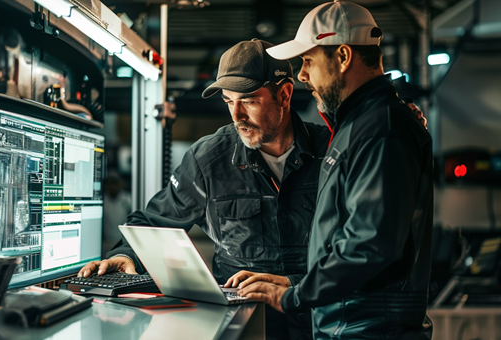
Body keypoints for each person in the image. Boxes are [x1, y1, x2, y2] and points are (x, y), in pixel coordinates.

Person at [79, 39, 332, 340]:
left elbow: (357, 248)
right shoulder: (209, 161)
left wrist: (295, 283)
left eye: (249, 100)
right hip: (247, 328)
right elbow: (153, 222)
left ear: (285, 94)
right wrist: (126, 253)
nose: (237, 115)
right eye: (228, 101)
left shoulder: (330, 152)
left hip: (323, 323)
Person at [238, 2, 434, 339]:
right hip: (353, 326)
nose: (301, 75)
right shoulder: (359, 125)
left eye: (308, 61)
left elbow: (369, 246)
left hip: (369, 331)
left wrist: (294, 296)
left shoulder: (381, 130)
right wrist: (297, 282)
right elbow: (349, 240)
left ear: (343, 57)